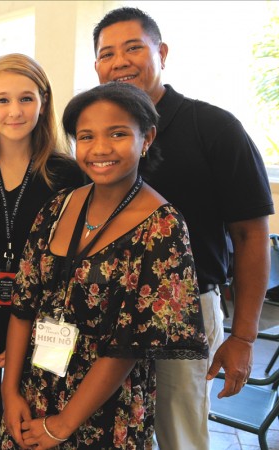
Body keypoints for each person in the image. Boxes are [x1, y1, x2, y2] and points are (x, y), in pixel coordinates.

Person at [92, 7, 275, 449]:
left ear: (162, 52)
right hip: (106, 313)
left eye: (133, 47)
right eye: (106, 53)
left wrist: (244, 337)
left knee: (180, 437)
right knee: (109, 431)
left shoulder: (213, 127)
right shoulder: (96, 134)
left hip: (186, 313)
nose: (120, 62)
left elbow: (251, 235)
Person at [0, 82, 209, 449]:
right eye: (86, 136)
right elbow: (23, 306)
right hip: (35, 393)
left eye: (117, 134)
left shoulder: (163, 227)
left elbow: (128, 345)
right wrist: (10, 391)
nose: (99, 149)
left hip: (107, 410)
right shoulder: (58, 207)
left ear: (146, 138)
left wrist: (63, 424)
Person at [0, 53, 84, 450]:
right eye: (2, 100)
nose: (14, 111)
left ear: (43, 103)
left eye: (26, 98)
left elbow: (72, 271)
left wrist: (32, 343)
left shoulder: (69, 175)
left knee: (36, 437)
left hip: (45, 337)